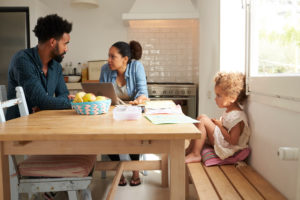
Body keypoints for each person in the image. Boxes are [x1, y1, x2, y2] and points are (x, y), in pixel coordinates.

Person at [6, 14, 73, 120]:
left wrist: (45, 105)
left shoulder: (56, 67)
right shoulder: (22, 60)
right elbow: (41, 100)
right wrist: (46, 103)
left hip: (43, 122)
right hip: (17, 127)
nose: (66, 49)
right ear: (52, 42)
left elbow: (64, 94)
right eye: (65, 44)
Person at [99, 40, 148, 186]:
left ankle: (135, 171)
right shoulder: (105, 69)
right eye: (108, 56)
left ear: (125, 59)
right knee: (106, 137)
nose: (108, 60)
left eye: (112, 57)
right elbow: (101, 94)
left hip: (132, 112)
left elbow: (142, 91)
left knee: (134, 136)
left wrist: (139, 99)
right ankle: (118, 171)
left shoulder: (136, 67)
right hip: (112, 112)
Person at [185, 72, 250, 163]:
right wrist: (218, 124)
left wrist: (220, 126)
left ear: (232, 98)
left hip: (226, 147)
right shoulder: (230, 111)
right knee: (202, 117)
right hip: (223, 141)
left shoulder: (237, 117)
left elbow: (233, 141)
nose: (215, 99)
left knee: (203, 120)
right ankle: (190, 150)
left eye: (219, 96)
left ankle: (196, 154)